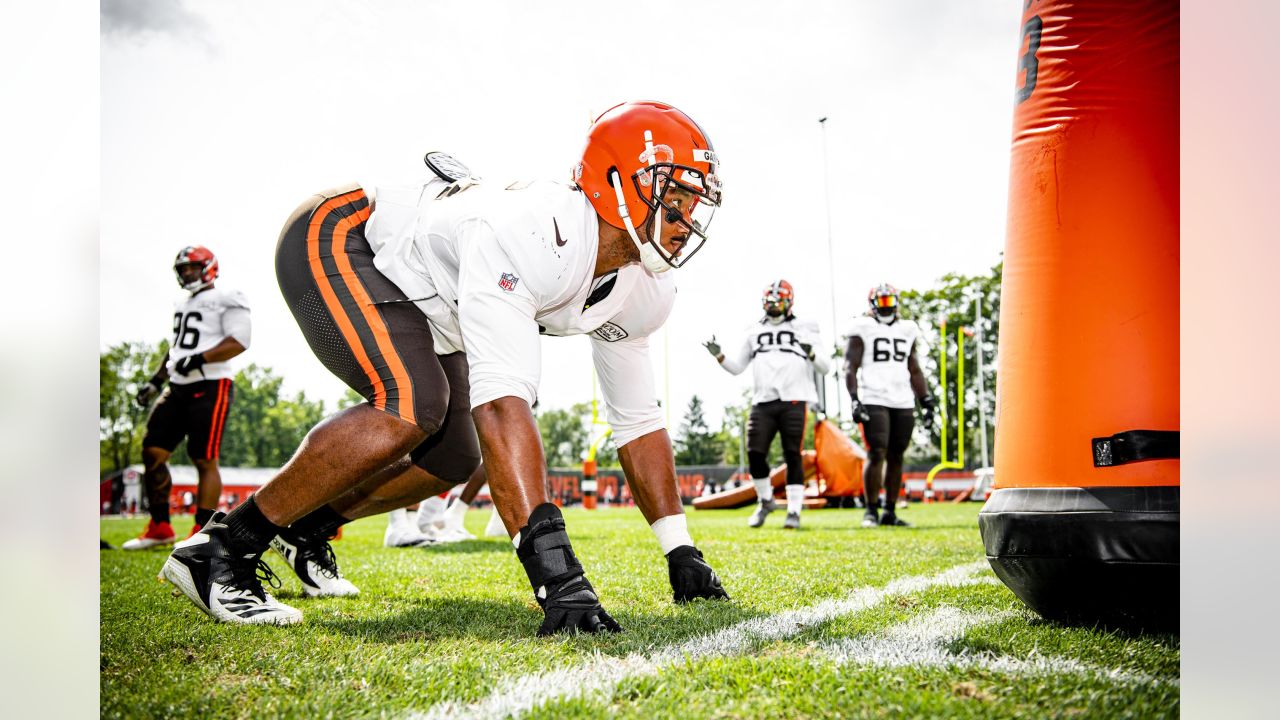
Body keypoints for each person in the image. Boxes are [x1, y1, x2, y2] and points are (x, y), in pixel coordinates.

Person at [161, 101, 730, 631]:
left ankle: (306, 527)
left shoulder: (645, 287)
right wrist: (557, 578)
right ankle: (221, 547)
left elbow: (636, 421)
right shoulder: (536, 232)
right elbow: (504, 403)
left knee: (455, 454)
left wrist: (680, 550)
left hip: (435, 300)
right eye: (676, 199)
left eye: (694, 203)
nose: (688, 219)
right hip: (347, 236)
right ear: (617, 185)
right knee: (412, 404)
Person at [124, 246, 249, 550]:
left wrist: (198, 359)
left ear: (208, 268)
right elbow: (177, 347)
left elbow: (240, 341)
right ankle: (160, 525)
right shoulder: (183, 303)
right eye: (183, 270)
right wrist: (156, 381)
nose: (187, 274)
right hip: (177, 385)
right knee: (152, 452)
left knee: (204, 459)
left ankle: (202, 529)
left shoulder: (227, 296)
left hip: (210, 383)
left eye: (192, 268)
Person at [703, 280, 829, 529]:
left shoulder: (806, 327)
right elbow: (738, 368)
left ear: (789, 303)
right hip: (763, 400)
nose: (773, 307)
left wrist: (811, 353)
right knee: (755, 453)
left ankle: (794, 511)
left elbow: (824, 367)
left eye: (777, 302)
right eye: (769, 302)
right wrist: (719, 356)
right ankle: (766, 500)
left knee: (793, 454)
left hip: (794, 398)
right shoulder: (754, 330)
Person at [844, 283, 935, 528]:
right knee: (877, 452)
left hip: (903, 399)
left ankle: (890, 511)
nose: (886, 307)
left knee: (897, 456)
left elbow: (913, 368)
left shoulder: (908, 329)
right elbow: (849, 366)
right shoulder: (862, 327)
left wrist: (925, 399)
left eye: (889, 301)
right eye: (881, 302)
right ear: (873, 305)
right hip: (874, 396)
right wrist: (854, 398)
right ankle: (871, 511)